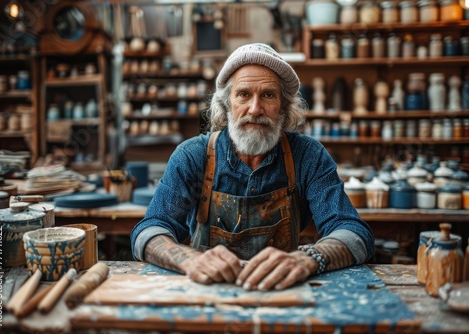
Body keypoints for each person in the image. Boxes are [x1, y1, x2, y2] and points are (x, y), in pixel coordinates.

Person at [131, 43, 374, 291]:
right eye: (244, 94)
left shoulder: (307, 156)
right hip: (207, 292)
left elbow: (354, 233)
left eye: (268, 95)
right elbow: (148, 231)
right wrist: (190, 260)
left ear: (284, 105)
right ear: (227, 105)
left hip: (281, 291)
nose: (255, 109)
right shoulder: (193, 155)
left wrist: (308, 259)